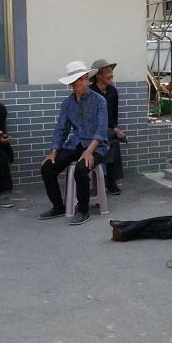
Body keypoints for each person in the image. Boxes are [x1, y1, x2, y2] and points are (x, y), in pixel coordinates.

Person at [39, 61, 108, 226]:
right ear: (72, 84)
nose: (85, 83)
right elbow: (61, 129)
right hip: (76, 143)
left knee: (80, 169)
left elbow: (101, 130)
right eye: (81, 80)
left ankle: (83, 211)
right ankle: (58, 206)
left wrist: (89, 151)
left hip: (97, 145)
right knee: (47, 167)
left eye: (86, 79)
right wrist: (54, 151)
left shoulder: (99, 101)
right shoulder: (67, 103)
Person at [90, 58, 125, 195]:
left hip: (108, 129)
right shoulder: (91, 93)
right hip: (93, 130)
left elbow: (113, 116)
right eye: (108, 72)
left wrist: (115, 128)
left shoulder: (113, 92)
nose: (111, 75)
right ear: (98, 75)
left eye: (112, 71)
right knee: (112, 139)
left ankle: (107, 180)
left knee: (113, 141)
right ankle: (110, 181)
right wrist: (116, 130)